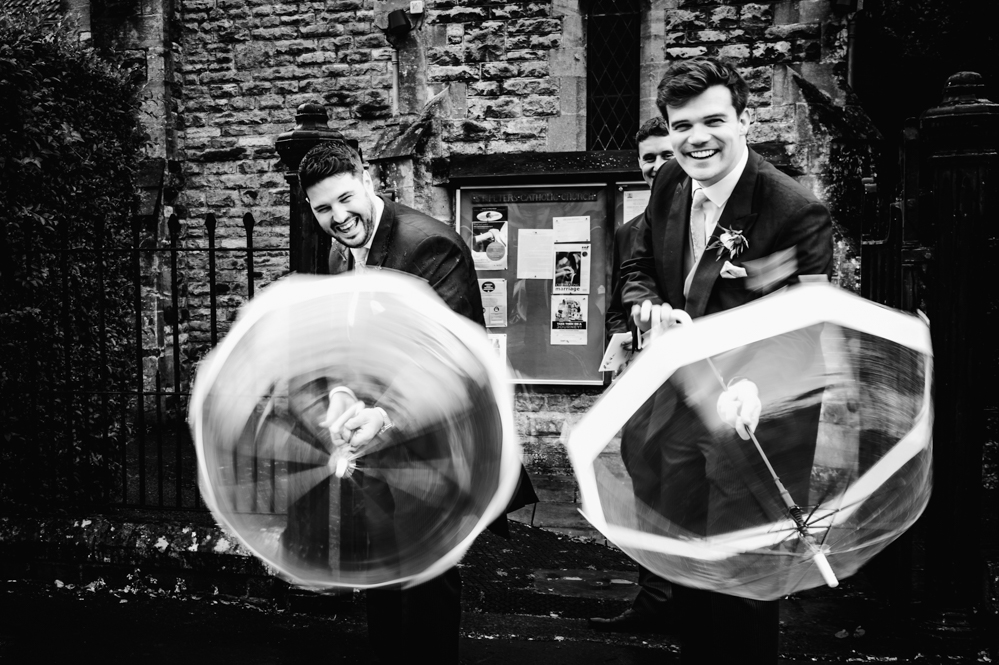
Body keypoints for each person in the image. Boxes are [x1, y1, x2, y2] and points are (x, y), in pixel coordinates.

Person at [620, 57, 833, 664]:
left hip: (757, 414)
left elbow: (807, 320)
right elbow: (639, 269)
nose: (697, 138)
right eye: (682, 125)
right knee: (686, 561)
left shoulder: (794, 210)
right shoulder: (667, 182)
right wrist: (649, 310)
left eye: (713, 120)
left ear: (743, 119)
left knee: (741, 581)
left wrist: (757, 383)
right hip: (680, 407)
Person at [293, 140, 538, 665]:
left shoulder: (430, 246)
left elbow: (455, 356)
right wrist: (340, 391)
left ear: (367, 178)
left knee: (426, 577)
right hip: (373, 445)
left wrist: (385, 414)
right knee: (381, 566)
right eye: (323, 209)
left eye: (344, 198)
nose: (338, 217)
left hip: (432, 438)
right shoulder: (340, 252)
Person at [589, 116, 677, 633]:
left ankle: (693, 596)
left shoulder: (706, 224)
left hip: (700, 384)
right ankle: (655, 598)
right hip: (646, 383)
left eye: (666, 154)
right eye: (649, 157)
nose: (657, 166)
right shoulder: (628, 232)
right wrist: (621, 337)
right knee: (647, 482)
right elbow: (620, 298)